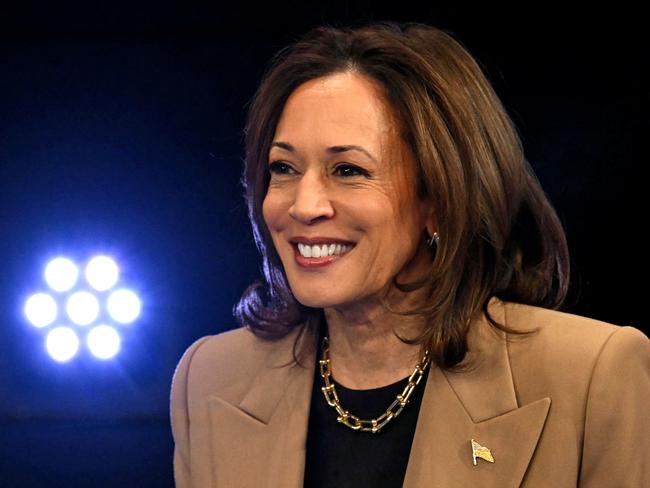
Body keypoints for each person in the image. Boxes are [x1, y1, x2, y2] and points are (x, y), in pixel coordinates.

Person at [170, 22, 649, 487]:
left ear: (439, 199)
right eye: (284, 167)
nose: (304, 205)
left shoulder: (590, 376)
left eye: (349, 170)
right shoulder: (211, 378)